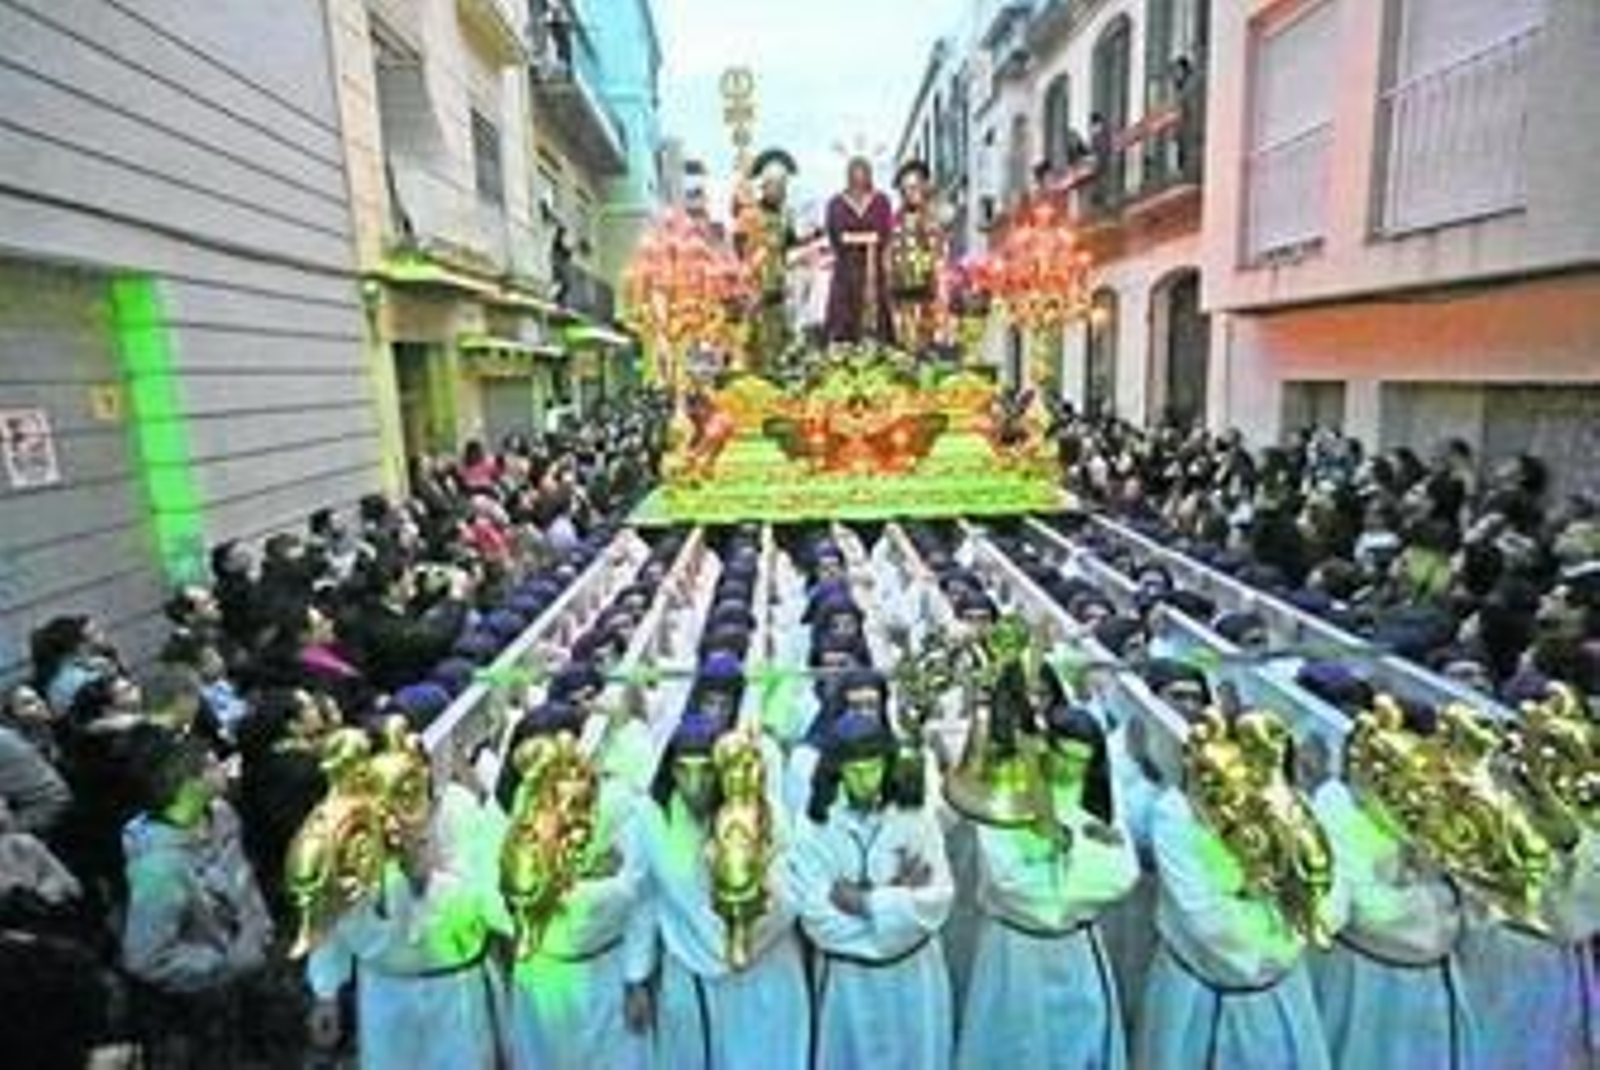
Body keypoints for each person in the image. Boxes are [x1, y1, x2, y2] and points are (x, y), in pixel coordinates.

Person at [1135, 710, 1348, 1070]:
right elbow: (1205, 919)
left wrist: (1273, 922)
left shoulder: (1293, 808)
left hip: (1282, 994)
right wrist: (1280, 926)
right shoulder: (1176, 814)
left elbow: (1331, 898)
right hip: (1200, 995)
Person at [304, 734, 506, 1070]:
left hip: (455, 988)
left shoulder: (458, 807)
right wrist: (326, 992)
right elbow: (327, 916)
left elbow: (487, 902)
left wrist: (425, 877)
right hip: (385, 989)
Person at [957, 702, 1140, 1070]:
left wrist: (1064, 853)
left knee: (1079, 1047)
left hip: (1077, 948)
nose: (1069, 769)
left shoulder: (1101, 799)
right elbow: (1008, 880)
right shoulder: (1003, 793)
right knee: (1012, 1048)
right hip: (1015, 949)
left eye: (1080, 761)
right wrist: (1082, 861)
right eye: (1062, 756)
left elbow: (1123, 875)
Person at [623, 710, 810, 1070]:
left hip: (764, 972)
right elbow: (643, 899)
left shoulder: (762, 813)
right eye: (683, 770)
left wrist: (752, 887)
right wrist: (636, 978)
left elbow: (794, 892)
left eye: (706, 770)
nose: (695, 784)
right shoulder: (650, 816)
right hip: (689, 976)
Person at [793, 711, 953, 1070]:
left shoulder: (917, 817)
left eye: (873, 766)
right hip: (846, 987)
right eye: (855, 770)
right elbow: (817, 919)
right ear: (837, 770)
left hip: (913, 980)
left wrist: (865, 902)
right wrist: (899, 902)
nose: (866, 779)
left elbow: (937, 900)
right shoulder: (812, 827)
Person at [493, 702, 648, 1070]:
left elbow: (635, 889)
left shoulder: (617, 800)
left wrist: (635, 977)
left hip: (606, 970)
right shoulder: (511, 807)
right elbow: (498, 889)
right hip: (540, 969)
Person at [1314, 729, 1478, 1070]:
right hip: (1361, 988)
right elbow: (1364, 909)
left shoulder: (1437, 811)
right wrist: (1437, 896)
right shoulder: (1335, 806)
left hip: (1433, 992)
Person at [120, 731, 274, 1066]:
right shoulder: (157, 865)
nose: (224, 769)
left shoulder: (222, 815)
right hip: (203, 1009)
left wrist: (260, 928)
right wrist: (225, 965)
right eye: (212, 765)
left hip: (252, 983)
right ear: (186, 783)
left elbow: (245, 880)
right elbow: (146, 957)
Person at [739, 148, 801, 373]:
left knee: (781, 350)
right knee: (758, 354)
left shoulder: (786, 217)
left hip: (779, 293)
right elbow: (740, 253)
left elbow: (791, 247)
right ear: (764, 187)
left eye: (784, 187)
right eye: (775, 186)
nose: (781, 192)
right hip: (756, 296)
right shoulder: (749, 215)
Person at [824, 157, 895, 345]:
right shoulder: (836, 203)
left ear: (869, 175)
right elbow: (835, 235)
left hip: (873, 271)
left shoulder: (881, 201)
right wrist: (866, 237)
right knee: (844, 317)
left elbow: (885, 231)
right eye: (854, 174)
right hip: (846, 272)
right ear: (848, 176)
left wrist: (856, 238)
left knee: (876, 318)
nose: (859, 178)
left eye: (863, 173)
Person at [889, 160, 946, 358]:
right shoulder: (895, 220)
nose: (911, 193)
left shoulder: (935, 216)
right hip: (902, 291)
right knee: (906, 344)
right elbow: (890, 256)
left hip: (930, 291)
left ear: (925, 186)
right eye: (906, 189)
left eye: (915, 187)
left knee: (927, 344)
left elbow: (940, 255)